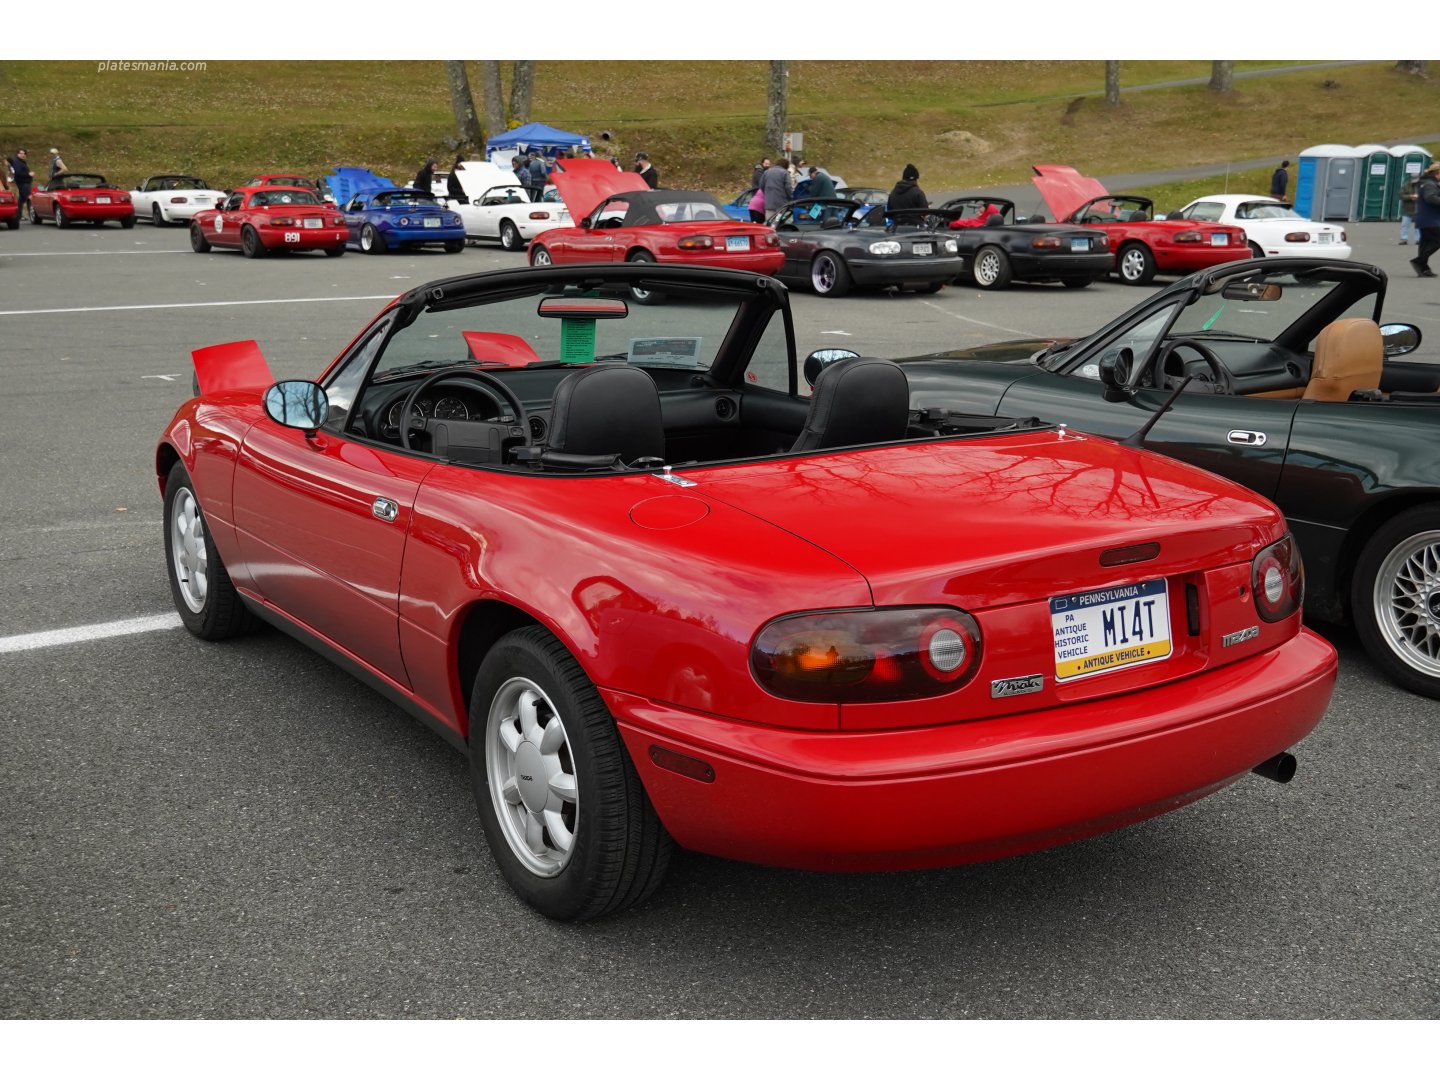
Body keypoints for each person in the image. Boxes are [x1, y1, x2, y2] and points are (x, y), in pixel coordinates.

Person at [1411, 162, 1440, 278]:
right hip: (1430, 219)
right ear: (1438, 173)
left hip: (1425, 218)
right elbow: (1430, 198)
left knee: (1425, 243)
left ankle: (1423, 267)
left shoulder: (1426, 183)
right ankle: (1419, 261)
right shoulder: (1429, 184)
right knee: (1437, 241)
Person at [9, 148, 33, 217]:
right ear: (17, 154)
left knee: (21, 199)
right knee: (29, 198)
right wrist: (29, 174)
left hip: (24, 183)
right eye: (21, 153)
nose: (23, 155)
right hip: (23, 183)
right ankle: (33, 215)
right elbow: (18, 173)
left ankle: (18, 214)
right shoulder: (17, 162)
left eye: (24, 153)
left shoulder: (21, 162)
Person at [1398, 174, 1419, 245]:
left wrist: (1419, 197)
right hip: (1407, 208)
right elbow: (1401, 195)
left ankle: (1418, 239)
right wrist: (1410, 196)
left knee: (1418, 226)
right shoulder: (1405, 186)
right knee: (1405, 225)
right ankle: (1404, 239)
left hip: (1418, 209)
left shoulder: (1422, 186)